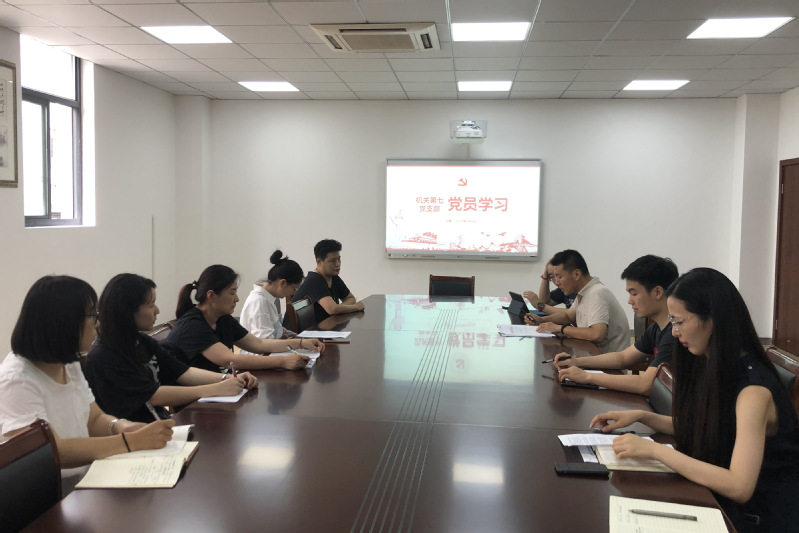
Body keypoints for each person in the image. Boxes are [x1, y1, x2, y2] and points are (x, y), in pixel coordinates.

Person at [590, 268, 799, 532]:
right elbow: (714, 426)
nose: (675, 332)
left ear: (712, 319)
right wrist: (644, 417)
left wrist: (656, 451)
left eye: (679, 322)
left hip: (755, 518)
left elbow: (739, 486)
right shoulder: (713, 364)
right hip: (721, 501)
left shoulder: (753, 391)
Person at [0, 276, 174, 492]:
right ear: (63, 322)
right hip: (45, 495)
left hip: (83, 480)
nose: (97, 323)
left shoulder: (69, 362)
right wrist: (130, 442)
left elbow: (94, 418)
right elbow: (48, 452)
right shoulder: (16, 379)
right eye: (92, 316)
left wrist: (121, 426)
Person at [84, 274, 259, 423]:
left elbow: (183, 372)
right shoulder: (105, 355)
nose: (157, 311)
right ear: (127, 311)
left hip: (159, 426)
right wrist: (215, 389)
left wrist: (228, 378)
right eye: (151, 305)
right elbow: (153, 396)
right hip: (134, 436)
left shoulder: (141, 341)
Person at [162, 265, 323, 373]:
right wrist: (283, 361)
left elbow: (258, 344)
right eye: (232, 292)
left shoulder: (223, 318)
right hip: (197, 402)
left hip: (221, 390)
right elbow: (229, 360)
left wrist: (301, 343)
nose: (237, 299)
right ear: (211, 295)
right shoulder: (193, 325)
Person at [554, 255, 678, 395]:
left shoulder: (674, 334)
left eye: (634, 293)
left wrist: (587, 377)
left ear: (657, 292)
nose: (629, 301)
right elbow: (623, 358)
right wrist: (576, 362)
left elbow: (646, 384)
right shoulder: (656, 328)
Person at [525, 249, 629, 353]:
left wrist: (559, 328)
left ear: (577, 274)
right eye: (554, 277)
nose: (556, 282)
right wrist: (541, 320)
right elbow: (568, 316)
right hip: (592, 353)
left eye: (559, 277)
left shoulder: (596, 293)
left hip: (606, 359)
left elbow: (597, 334)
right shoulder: (584, 292)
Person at [240, 250, 302, 351]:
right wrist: (299, 343)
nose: (293, 293)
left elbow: (272, 328)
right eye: (294, 289)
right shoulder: (259, 301)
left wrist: (286, 333)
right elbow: (265, 343)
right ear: (282, 283)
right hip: (260, 357)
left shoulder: (268, 298)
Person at [291, 239, 364, 323]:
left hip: (323, 325)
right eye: (333, 261)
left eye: (339, 259)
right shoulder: (315, 280)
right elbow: (332, 309)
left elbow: (350, 298)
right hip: (301, 331)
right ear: (319, 262)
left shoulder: (333, 276)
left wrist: (339, 308)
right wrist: (355, 307)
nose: (338, 264)